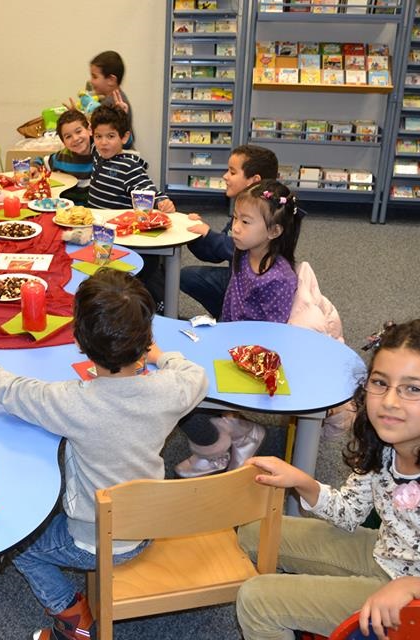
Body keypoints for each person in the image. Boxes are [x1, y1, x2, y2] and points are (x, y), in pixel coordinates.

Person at [0, 269, 208, 640]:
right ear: (144, 340)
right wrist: (162, 356)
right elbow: (195, 375)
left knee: (18, 544)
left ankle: (72, 620)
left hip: (97, 538)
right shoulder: (169, 389)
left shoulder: (73, 401)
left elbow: (10, 390)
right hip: (149, 520)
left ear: (80, 342)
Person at [236, 320, 420, 639]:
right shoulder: (388, 442)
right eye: (380, 383)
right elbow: (350, 512)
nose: (389, 401)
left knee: (256, 601)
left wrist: (412, 587)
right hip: (388, 553)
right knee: (253, 533)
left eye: (413, 388)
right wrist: (301, 481)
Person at [175, 180, 302, 478]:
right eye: (235, 218)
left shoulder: (278, 278)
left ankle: (229, 439)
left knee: (187, 389)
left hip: (255, 358)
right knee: (178, 373)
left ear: (274, 232)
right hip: (229, 339)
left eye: (245, 221)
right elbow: (233, 300)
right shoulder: (243, 253)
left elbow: (273, 336)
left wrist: (225, 351)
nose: (235, 227)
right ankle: (234, 429)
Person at [87, 105, 175, 306]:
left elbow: (147, 189)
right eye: (98, 136)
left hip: (119, 238)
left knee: (120, 286)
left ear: (124, 137)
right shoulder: (97, 154)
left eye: (110, 136)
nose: (103, 143)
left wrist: (162, 200)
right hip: (99, 233)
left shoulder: (129, 166)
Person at [181, 145, 279, 319]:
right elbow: (217, 253)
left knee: (190, 277)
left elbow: (236, 249)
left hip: (255, 284)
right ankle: (226, 316)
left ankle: (233, 321)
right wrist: (194, 234)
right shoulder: (242, 210)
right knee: (188, 276)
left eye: (232, 172)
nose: (225, 176)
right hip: (238, 276)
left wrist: (208, 234)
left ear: (254, 180)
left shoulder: (268, 215)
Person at [32, 109, 93, 205]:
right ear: (63, 142)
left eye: (78, 131)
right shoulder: (61, 157)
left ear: (89, 130)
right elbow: (41, 160)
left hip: (94, 211)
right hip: (65, 210)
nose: (75, 138)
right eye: (68, 137)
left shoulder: (101, 154)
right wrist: (34, 166)